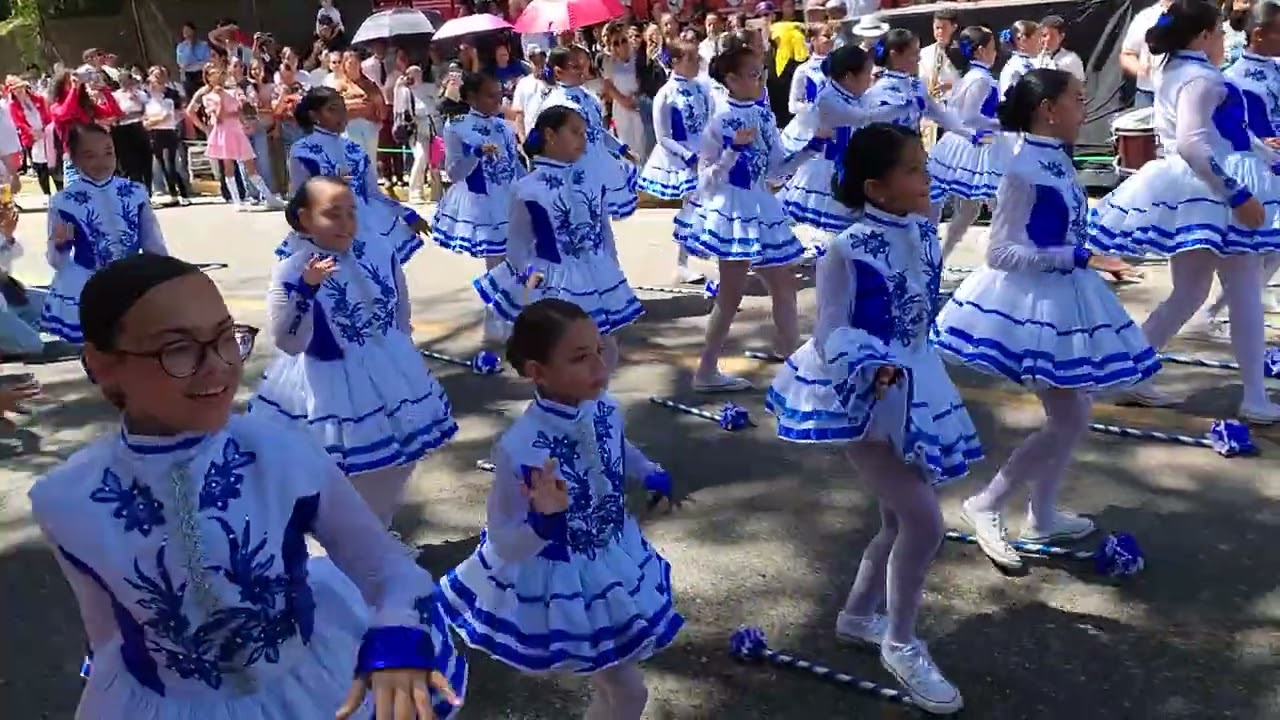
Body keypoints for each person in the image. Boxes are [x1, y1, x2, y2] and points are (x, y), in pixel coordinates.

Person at [29, 252, 467, 719]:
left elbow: (388, 569)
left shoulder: (281, 452)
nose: (218, 365)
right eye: (177, 348)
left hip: (312, 689)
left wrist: (395, 635)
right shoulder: (66, 499)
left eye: (225, 337)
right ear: (101, 365)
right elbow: (106, 636)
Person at [766, 123, 978, 715]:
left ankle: (859, 613)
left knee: (898, 518)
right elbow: (830, 330)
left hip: (918, 384)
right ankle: (901, 641)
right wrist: (871, 363)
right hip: (861, 394)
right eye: (913, 169)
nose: (925, 176)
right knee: (925, 523)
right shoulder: (847, 248)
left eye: (923, 165)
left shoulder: (925, 234)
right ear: (876, 187)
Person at [933, 69, 1160, 567]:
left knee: (1072, 416)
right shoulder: (1022, 167)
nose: (1086, 108)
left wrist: (1092, 253)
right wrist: (1076, 258)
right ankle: (987, 503)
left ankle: (1042, 510)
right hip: (1030, 304)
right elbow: (1000, 252)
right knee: (1071, 417)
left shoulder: (1054, 158)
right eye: (1077, 100)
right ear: (1047, 110)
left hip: (1065, 297)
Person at [439, 298, 683, 719]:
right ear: (537, 371)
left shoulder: (605, 407)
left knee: (612, 689)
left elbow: (618, 446)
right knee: (628, 693)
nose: (599, 366)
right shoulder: (521, 446)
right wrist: (542, 523)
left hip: (611, 556)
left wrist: (648, 471)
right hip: (564, 582)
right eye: (580, 358)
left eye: (599, 351)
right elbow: (502, 537)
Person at [1088, 0, 1280, 421]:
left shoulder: (1174, 69)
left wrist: (1259, 150)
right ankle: (1254, 396)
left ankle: (1130, 375)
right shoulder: (1199, 76)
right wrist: (1238, 195)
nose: (1225, 38)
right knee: (1244, 288)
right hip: (1210, 189)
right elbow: (1195, 144)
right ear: (1205, 35)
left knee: (1191, 291)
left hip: (1190, 188)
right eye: (1219, 31)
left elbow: (1214, 134)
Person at [249, 177, 456, 528]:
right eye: (333, 215)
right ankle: (354, 542)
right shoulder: (292, 268)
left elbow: (400, 309)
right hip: (330, 381)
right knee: (354, 471)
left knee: (399, 460)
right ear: (304, 219)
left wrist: (402, 352)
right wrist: (307, 288)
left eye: (351, 213)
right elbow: (288, 340)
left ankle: (378, 532)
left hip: (391, 366)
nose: (346, 223)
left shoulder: (378, 248)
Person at [675, 44, 826, 393]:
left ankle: (796, 365)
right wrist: (733, 151)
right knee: (730, 295)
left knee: (783, 286)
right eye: (754, 75)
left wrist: (809, 150)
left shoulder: (763, 116)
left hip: (761, 207)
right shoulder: (720, 120)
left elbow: (774, 172)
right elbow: (706, 179)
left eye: (762, 74)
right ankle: (706, 371)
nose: (761, 81)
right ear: (731, 79)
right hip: (732, 212)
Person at [475, 106, 641, 375]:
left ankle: (593, 405)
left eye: (585, 133)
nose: (583, 139)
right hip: (554, 281)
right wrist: (529, 282)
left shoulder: (593, 179)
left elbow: (604, 231)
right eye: (575, 132)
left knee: (605, 344)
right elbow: (517, 246)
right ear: (551, 135)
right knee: (562, 351)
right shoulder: (527, 187)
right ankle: (564, 405)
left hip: (597, 274)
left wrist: (612, 269)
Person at [1193, 0, 1280, 329]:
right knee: (1255, 250)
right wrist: (1262, 145)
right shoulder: (1235, 78)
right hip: (1258, 170)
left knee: (1268, 251)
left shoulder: (1274, 68)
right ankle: (1217, 312)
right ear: (1258, 34)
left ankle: (1231, 308)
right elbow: (1233, 130)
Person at [40, 124, 168, 344]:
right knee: (98, 341)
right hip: (88, 284)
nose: (102, 161)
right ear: (74, 159)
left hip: (132, 278)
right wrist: (60, 244)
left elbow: (152, 240)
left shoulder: (134, 192)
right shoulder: (64, 201)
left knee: (136, 338)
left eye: (108, 152)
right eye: (90, 155)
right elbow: (56, 259)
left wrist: (163, 271)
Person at [284, 87, 429, 266]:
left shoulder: (355, 149)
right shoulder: (303, 150)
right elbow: (299, 195)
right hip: (326, 227)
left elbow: (373, 193)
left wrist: (408, 214)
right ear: (315, 116)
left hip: (364, 225)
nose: (341, 115)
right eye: (332, 109)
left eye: (343, 109)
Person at [431, 73, 523, 341]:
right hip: (482, 203)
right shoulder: (457, 125)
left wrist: (531, 188)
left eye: (498, 95)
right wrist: (476, 154)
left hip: (509, 199)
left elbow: (513, 165)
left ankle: (514, 318)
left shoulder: (504, 127)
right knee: (497, 264)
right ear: (471, 97)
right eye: (489, 95)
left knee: (517, 262)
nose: (496, 100)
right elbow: (454, 171)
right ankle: (497, 324)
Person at [778, 44, 904, 236]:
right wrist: (902, 107)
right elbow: (862, 118)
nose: (870, 78)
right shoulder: (828, 99)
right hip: (829, 171)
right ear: (849, 77)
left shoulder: (854, 95)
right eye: (866, 73)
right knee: (835, 229)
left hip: (850, 168)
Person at [926, 26, 1006, 258]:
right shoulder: (980, 79)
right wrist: (1002, 123)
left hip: (963, 145)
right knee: (997, 203)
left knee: (972, 209)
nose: (995, 53)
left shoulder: (971, 76)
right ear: (980, 51)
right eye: (992, 48)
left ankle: (942, 254)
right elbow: (970, 116)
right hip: (974, 146)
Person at [638, 40, 710, 285]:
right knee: (691, 209)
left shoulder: (701, 89)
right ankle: (681, 264)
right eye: (690, 58)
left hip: (707, 155)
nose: (696, 63)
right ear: (676, 62)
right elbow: (663, 137)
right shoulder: (665, 94)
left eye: (696, 57)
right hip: (683, 160)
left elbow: (710, 121)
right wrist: (688, 155)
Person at [541, 45, 640, 221]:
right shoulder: (555, 103)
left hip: (598, 166)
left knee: (602, 227)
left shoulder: (588, 95)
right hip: (575, 172)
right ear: (558, 71)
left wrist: (622, 149)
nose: (580, 70)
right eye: (574, 66)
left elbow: (598, 131)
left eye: (580, 65)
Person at [187, 63, 283, 212]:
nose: (217, 77)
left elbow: (239, 111)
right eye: (213, 75)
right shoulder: (208, 97)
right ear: (208, 78)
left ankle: (269, 197)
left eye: (219, 73)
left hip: (237, 131)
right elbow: (219, 117)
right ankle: (237, 200)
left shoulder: (232, 92)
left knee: (250, 165)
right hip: (223, 133)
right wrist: (219, 101)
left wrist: (244, 114)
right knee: (229, 167)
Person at [778, 22, 835, 153]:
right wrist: (813, 108)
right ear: (813, 40)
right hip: (809, 131)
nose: (831, 39)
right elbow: (792, 105)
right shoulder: (804, 70)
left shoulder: (840, 66)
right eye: (826, 36)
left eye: (832, 35)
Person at [0, 204, 46, 358]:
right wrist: (4, 236)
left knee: (64, 308)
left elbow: (16, 253)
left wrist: (8, 236)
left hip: (10, 295)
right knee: (33, 345)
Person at [142, 68, 191, 207]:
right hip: (154, 134)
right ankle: (172, 193)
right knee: (161, 164)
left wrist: (155, 120)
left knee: (171, 163)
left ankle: (183, 193)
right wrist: (155, 121)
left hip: (168, 132)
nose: (153, 86)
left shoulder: (168, 100)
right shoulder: (148, 102)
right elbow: (145, 122)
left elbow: (168, 116)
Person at [7, 76, 58, 196]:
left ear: (25, 87)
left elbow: (47, 114)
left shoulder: (39, 99)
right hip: (32, 139)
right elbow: (18, 122)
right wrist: (32, 132)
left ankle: (60, 192)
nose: (18, 91)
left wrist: (45, 130)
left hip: (46, 135)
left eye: (20, 88)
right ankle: (47, 194)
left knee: (53, 164)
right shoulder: (13, 106)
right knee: (40, 168)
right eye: (15, 89)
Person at [1120, 0, 1175, 108]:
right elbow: (1127, 54)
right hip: (1147, 95)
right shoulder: (1145, 17)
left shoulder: (1197, 14)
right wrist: (1139, 69)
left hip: (1185, 93)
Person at [919, 8, 961, 103]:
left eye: (944, 28)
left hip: (954, 103)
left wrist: (951, 85)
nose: (940, 32)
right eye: (937, 28)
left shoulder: (960, 52)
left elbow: (970, 82)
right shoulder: (924, 53)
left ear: (954, 27)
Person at [1036, 15, 1087, 82]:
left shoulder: (1071, 59)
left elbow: (1080, 84)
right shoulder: (1035, 57)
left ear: (1061, 37)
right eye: (1043, 35)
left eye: (1052, 36)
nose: (1046, 40)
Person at [998, 21, 1040, 97]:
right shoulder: (1018, 66)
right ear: (1023, 40)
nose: (1041, 43)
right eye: (1037, 38)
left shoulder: (1026, 62)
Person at [176, 21, 212, 99]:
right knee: (190, 96)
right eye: (184, 31)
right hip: (188, 75)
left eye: (188, 30)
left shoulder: (203, 45)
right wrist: (189, 46)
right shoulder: (181, 47)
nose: (186, 33)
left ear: (193, 31)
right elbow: (182, 64)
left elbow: (206, 61)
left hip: (201, 73)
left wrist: (193, 64)